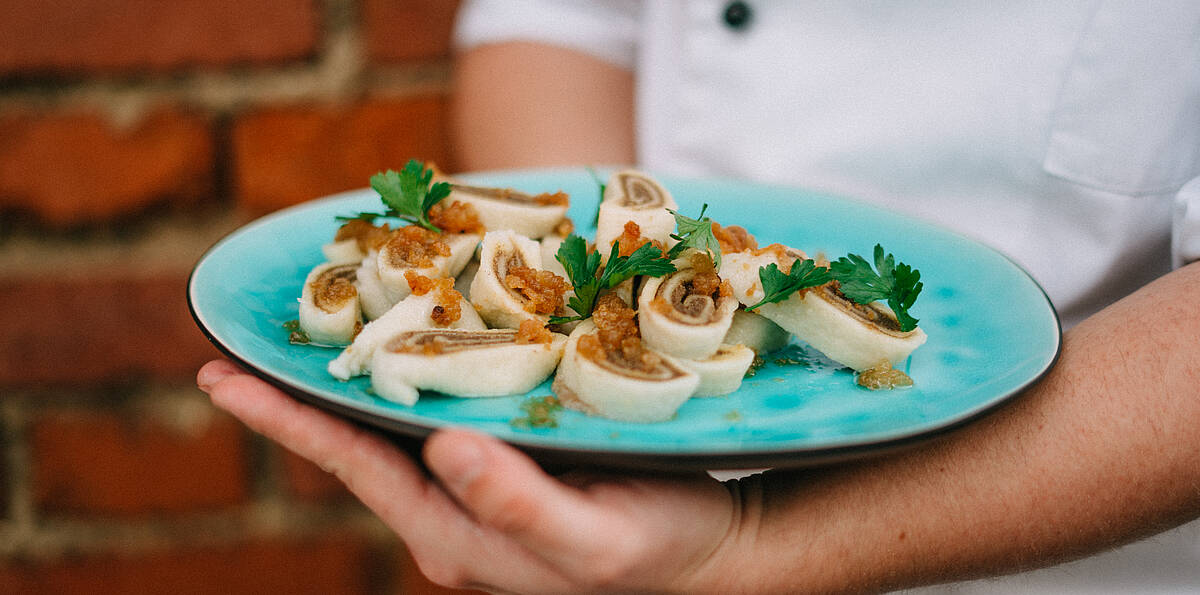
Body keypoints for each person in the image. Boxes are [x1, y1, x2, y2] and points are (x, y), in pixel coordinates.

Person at [198, 1, 1200, 592]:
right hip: (644, 488)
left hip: (1072, 548)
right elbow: (558, 19)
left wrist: (766, 547)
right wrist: (570, 333)